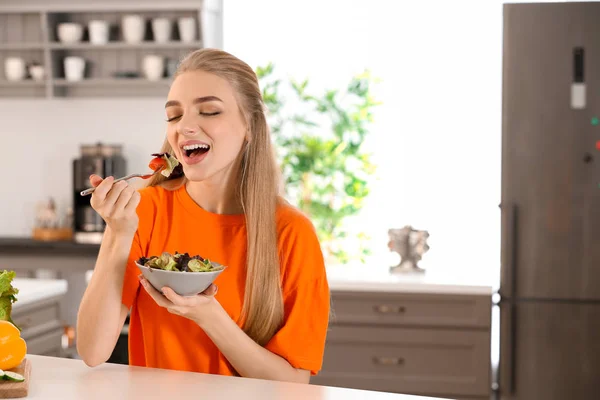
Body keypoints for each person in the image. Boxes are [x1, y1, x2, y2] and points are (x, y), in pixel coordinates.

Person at [76, 48, 330, 383]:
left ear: (250, 126)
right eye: (173, 116)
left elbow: (292, 384)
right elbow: (92, 351)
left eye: (209, 111)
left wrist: (209, 316)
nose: (185, 127)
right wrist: (118, 233)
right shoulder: (145, 211)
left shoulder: (291, 232)